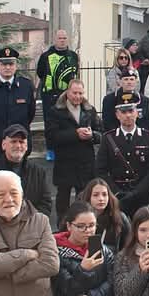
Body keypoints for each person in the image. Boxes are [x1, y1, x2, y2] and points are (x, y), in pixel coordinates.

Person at [95, 94, 149, 220]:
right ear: (117, 115)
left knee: (147, 230)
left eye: (131, 111)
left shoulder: (148, 138)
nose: (128, 115)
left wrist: (137, 192)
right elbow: (100, 170)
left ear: (137, 113)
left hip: (142, 197)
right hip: (117, 197)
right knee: (116, 230)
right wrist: (115, 191)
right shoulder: (108, 139)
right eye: (123, 112)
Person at [45, 78, 102, 220]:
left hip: (85, 163)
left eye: (80, 93)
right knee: (63, 200)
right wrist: (75, 134)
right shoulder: (56, 111)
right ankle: (62, 226)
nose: (77, 96)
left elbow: (101, 133)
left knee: (84, 200)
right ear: (67, 92)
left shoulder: (90, 110)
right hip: (65, 162)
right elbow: (51, 136)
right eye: (74, 93)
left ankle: (83, 224)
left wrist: (92, 135)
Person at [0, 123, 55, 219]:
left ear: (26, 146)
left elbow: (45, 204)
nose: (18, 145)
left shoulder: (39, 172)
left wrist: (31, 222)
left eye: (21, 142)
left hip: (32, 225)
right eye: (13, 141)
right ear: (3, 145)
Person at [37, 28, 80, 115]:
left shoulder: (73, 56)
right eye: (60, 38)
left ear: (68, 39)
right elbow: (40, 73)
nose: (62, 40)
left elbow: (75, 73)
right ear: (55, 40)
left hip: (68, 97)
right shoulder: (45, 56)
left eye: (64, 38)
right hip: (49, 97)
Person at [101, 68, 149, 133]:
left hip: (138, 136)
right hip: (116, 136)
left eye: (132, 79)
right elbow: (108, 122)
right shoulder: (109, 100)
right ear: (120, 82)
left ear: (136, 81)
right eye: (126, 79)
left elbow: (147, 123)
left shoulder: (144, 100)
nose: (129, 82)